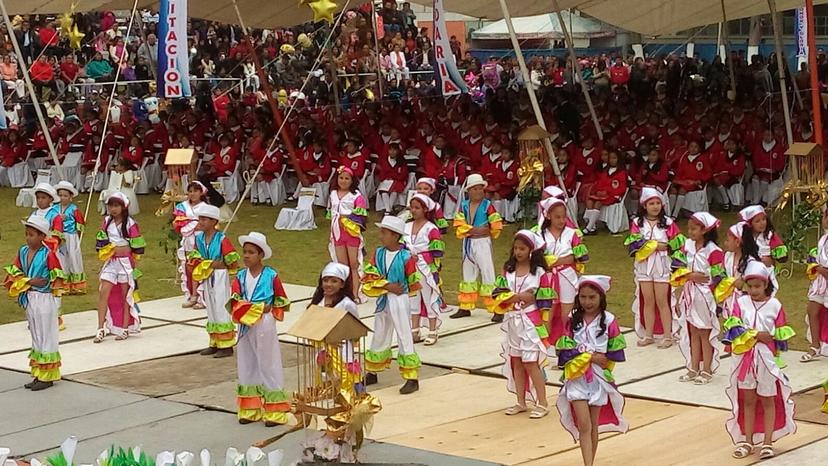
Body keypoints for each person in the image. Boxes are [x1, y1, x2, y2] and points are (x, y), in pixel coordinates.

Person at [724, 261, 796, 460]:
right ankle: (747, 440)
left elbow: (780, 338)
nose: (754, 290)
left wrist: (770, 341)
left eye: (758, 286)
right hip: (744, 359)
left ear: (766, 285)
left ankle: (767, 441)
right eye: (750, 286)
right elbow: (734, 329)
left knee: (767, 399)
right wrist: (756, 335)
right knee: (748, 399)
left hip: (766, 361)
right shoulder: (740, 303)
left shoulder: (775, 305)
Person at [555, 275, 628, 466]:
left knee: (593, 425)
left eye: (592, 297)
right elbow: (564, 350)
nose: (587, 302)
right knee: (584, 424)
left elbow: (612, 355)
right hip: (576, 378)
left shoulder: (610, 320)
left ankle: (589, 463)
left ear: (601, 298)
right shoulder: (572, 319)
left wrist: (599, 359)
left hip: (598, 380)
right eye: (583, 297)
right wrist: (588, 355)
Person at [228, 231, 291, 426]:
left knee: (268, 362)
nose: (246, 256)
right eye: (245, 252)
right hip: (246, 323)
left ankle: (275, 410)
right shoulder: (239, 276)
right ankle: (250, 408)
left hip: (264, 321)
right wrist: (242, 309)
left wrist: (268, 308)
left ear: (260, 255)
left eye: (251, 252)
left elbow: (281, 299)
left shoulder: (271, 275)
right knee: (247, 362)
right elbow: (234, 299)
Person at [491, 230, 551, 419]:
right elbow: (499, 291)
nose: (518, 252)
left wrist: (516, 297)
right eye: (516, 248)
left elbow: (538, 297)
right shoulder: (508, 269)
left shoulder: (539, 272)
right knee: (515, 360)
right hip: (512, 320)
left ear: (531, 250)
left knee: (531, 362)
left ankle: (542, 402)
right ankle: (521, 401)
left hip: (530, 321)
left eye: (522, 248)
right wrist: (509, 298)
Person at [362, 216, 422, 395]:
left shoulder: (406, 257)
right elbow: (370, 274)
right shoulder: (378, 253)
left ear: (395, 236)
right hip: (384, 296)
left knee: (403, 333)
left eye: (384, 233)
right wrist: (387, 286)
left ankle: (411, 377)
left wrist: (400, 289)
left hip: (399, 298)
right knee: (380, 330)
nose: (381, 236)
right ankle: (373, 370)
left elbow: (412, 282)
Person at [5, 215, 65, 391]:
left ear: (41, 236)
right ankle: (39, 372)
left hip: (44, 298)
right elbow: (15, 272)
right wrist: (29, 281)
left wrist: (28, 281)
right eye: (27, 234)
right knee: (36, 334)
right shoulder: (23, 252)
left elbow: (51, 279)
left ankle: (48, 376)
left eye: (31, 234)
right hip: (31, 297)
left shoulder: (49, 254)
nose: (28, 238)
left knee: (47, 335)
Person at [625, 188, 684, 347]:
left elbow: (676, 244)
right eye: (651, 203)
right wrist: (658, 245)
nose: (655, 206)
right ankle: (648, 334)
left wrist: (655, 246)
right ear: (644, 205)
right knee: (648, 300)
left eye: (658, 203)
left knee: (662, 301)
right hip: (644, 265)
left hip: (662, 265)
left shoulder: (668, 223)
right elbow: (635, 244)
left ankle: (667, 336)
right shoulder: (637, 223)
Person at [673, 212, 724, 385]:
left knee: (704, 332)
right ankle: (693, 367)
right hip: (689, 292)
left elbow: (718, 276)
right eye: (689, 229)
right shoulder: (687, 245)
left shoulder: (714, 251)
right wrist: (689, 276)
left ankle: (707, 369)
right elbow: (677, 266)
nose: (690, 232)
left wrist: (710, 291)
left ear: (704, 230)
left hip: (705, 295)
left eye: (694, 229)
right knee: (692, 331)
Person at [93, 192, 145, 343]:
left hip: (125, 263)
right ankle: (100, 327)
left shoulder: (130, 224)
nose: (113, 209)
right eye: (110, 205)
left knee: (125, 295)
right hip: (111, 262)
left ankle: (124, 328)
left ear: (123, 207)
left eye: (116, 206)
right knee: (104, 292)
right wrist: (108, 250)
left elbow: (138, 246)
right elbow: (101, 242)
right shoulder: (106, 221)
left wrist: (130, 255)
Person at [189, 204, 240, 358]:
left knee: (221, 306)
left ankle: (227, 344)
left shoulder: (222, 239)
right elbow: (194, 256)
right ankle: (215, 341)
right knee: (210, 307)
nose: (201, 222)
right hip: (207, 274)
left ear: (213, 221)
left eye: (204, 219)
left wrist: (218, 264)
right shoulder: (198, 238)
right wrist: (201, 263)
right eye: (200, 219)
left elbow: (232, 261)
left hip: (219, 275)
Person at [452, 173, 503, 321]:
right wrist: (476, 230)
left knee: (487, 272)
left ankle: (497, 309)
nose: (478, 192)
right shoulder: (464, 206)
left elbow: (495, 225)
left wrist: (474, 230)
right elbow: (459, 223)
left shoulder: (488, 205)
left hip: (482, 242)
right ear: (469, 191)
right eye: (474, 189)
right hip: (468, 242)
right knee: (467, 271)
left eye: (480, 189)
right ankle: (465, 306)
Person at [538, 197, 588, 345]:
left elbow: (579, 257)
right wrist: (561, 260)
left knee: (568, 312)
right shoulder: (541, 234)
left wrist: (557, 261)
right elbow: (538, 258)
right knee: (548, 311)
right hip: (547, 279)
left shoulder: (572, 233)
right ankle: (544, 345)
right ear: (548, 216)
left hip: (567, 277)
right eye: (557, 217)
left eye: (563, 217)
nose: (561, 220)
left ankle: (568, 343)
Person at [405, 194, 445, 346]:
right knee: (413, 298)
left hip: (425, 267)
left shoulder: (431, 228)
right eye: (412, 207)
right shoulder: (406, 226)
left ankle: (433, 330)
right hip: (410, 267)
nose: (413, 211)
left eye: (417, 208)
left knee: (429, 298)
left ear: (425, 209)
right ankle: (414, 329)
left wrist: (424, 259)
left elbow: (437, 251)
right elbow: (401, 245)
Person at [327, 166, 369, 299]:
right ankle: (344, 293)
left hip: (350, 233)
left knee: (354, 264)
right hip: (336, 233)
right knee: (342, 265)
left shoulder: (356, 196)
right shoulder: (333, 193)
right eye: (341, 178)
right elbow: (330, 212)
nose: (343, 181)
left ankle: (355, 293)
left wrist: (347, 220)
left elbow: (362, 217)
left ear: (352, 181)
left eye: (347, 178)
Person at [738, 205, 788, 295]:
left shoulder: (769, 236)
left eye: (763, 219)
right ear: (750, 224)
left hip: (766, 272)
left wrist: (772, 260)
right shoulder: (745, 238)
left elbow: (782, 256)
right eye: (757, 221)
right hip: (748, 272)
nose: (762, 223)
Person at [174, 181, 209, 308]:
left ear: (201, 192)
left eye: (195, 191)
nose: (192, 193)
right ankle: (192, 295)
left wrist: (194, 224)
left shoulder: (205, 207)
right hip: (188, 241)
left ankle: (202, 297)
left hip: (201, 240)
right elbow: (178, 223)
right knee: (189, 268)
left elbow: (207, 224)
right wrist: (193, 224)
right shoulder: (182, 206)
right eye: (190, 191)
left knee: (201, 267)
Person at [802, 210, 828, 361]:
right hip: (820, 282)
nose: (824, 220)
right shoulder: (823, 239)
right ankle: (815, 346)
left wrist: (818, 268)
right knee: (812, 310)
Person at [583, 150, 627, 235]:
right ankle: (593, 227)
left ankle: (588, 227)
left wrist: (607, 191)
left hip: (613, 195)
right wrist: (599, 191)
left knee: (598, 203)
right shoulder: (605, 171)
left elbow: (621, 188)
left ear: (618, 159)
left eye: (614, 158)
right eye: (610, 158)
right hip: (603, 194)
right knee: (589, 201)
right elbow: (600, 183)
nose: (612, 160)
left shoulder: (621, 172)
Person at [54, 181, 86, 295]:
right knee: (62, 259)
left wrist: (76, 234)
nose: (62, 198)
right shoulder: (54, 208)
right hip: (59, 236)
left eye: (65, 196)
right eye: (60, 195)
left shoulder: (74, 209)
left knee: (73, 257)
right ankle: (64, 284)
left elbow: (80, 222)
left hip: (71, 236)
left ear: (71, 197)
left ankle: (77, 284)